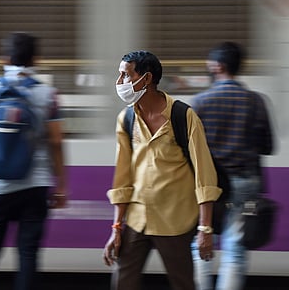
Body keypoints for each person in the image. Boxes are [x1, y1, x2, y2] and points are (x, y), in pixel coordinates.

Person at [103, 50, 222, 290]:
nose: (120, 82)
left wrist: (205, 228)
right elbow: (122, 177)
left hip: (175, 220)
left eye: (125, 75)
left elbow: (204, 174)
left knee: (182, 284)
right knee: (123, 282)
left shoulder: (183, 116)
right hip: (138, 219)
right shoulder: (126, 119)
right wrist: (116, 228)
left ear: (146, 79)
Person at [0, 32, 67, 290]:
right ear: (37, 60)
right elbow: (55, 142)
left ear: (4, 59)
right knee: (28, 254)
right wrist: (62, 185)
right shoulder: (47, 95)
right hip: (35, 186)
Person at [191, 42, 274, 290]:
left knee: (200, 242)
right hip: (245, 182)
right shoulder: (256, 101)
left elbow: (190, 148)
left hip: (209, 184)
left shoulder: (200, 102)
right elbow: (268, 146)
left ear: (218, 66)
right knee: (235, 249)